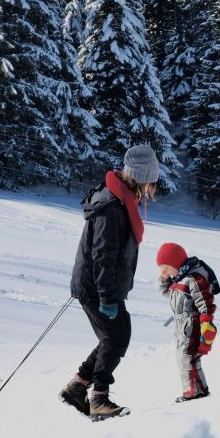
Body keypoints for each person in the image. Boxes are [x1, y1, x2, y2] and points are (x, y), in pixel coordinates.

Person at [60, 144, 160, 420]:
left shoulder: (121, 201)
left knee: (114, 337)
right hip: (96, 286)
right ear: (140, 177)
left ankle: (78, 386)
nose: (152, 187)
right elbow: (103, 256)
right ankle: (98, 398)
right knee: (116, 338)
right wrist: (106, 298)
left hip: (101, 285)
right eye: (151, 180)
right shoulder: (112, 207)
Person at [157, 242, 220, 403]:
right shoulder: (178, 279)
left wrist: (207, 321)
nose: (165, 272)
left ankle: (194, 392)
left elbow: (204, 300)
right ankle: (197, 390)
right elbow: (167, 293)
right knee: (183, 358)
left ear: (176, 262)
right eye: (162, 269)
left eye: (166, 268)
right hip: (181, 326)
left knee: (187, 357)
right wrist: (163, 279)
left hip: (191, 324)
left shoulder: (192, 278)